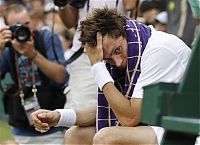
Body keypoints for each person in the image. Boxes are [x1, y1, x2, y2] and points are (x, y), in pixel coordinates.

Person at [31, 7, 191, 145]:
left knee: (106, 137)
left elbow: (129, 118)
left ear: (123, 31)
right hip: (161, 125)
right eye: (108, 59)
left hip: (187, 130)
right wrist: (58, 117)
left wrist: (98, 66)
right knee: (75, 135)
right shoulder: (134, 46)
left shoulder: (158, 50)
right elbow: (109, 110)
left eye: (117, 50)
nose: (118, 62)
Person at [0, 4, 68, 145]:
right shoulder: (7, 47)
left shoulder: (46, 37)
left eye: (26, 24)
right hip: (21, 128)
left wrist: (33, 54)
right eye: (16, 26)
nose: (23, 30)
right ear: (7, 27)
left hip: (53, 127)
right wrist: (0, 49)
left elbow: (61, 76)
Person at [56, 0, 130, 110]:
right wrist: (62, 4)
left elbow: (130, 5)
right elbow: (69, 22)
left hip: (117, 50)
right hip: (85, 52)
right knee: (79, 107)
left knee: (117, 107)